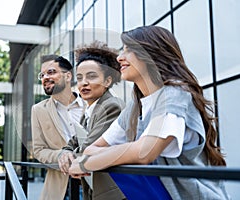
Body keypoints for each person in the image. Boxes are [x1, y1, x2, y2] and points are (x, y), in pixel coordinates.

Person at [68, 26, 230, 199]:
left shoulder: (174, 94)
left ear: (151, 53)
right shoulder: (135, 106)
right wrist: (102, 156)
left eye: (128, 50)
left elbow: (145, 151)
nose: (120, 57)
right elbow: (92, 149)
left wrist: (87, 164)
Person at [58, 41, 126, 200]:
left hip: (113, 193)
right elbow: (74, 142)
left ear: (107, 81)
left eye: (92, 76)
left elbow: (88, 147)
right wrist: (65, 152)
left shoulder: (111, 107)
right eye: (79, 78)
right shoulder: (90, 110)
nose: (84, 83)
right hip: (94, 187)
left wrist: (70, 156)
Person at [31, 55, 85, 200]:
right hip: (61, 187)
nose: (45, 77)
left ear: (68, 76)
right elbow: (39, 150)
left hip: (94, 183)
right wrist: (61, 155)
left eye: (51, 72)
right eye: (42, 75)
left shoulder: (91, 105)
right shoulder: (38, 110)